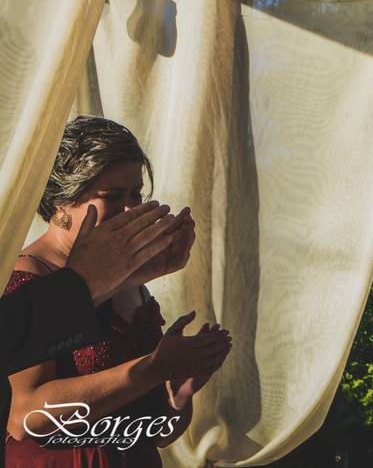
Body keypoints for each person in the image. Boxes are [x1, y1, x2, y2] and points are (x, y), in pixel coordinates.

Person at [5, 116, 233, 467]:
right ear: (61, 202)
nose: (130, 209)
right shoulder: (28, 278)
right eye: (112, 196)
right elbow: (25, 419)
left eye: (136, 193)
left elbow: (157, 434)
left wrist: (177, 392)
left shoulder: (132, 282)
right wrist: (153, 369)